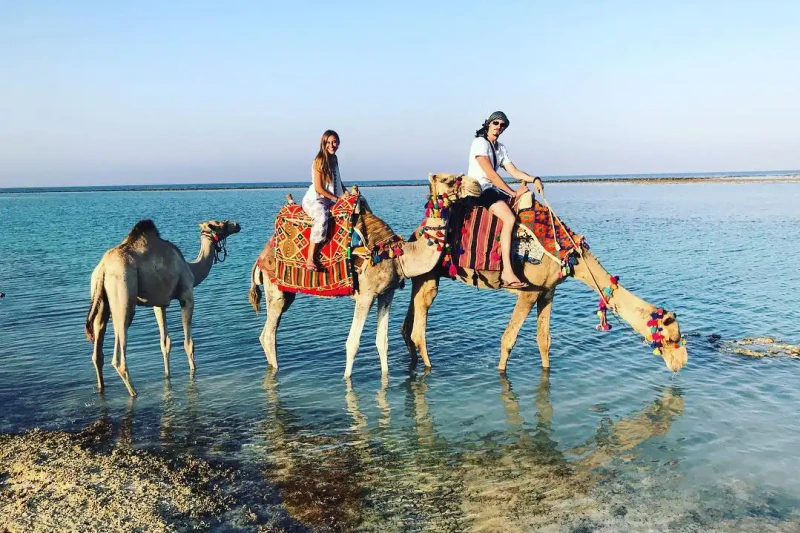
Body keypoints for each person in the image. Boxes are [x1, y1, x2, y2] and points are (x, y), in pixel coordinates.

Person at [467, 111, 544, 289]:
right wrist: (511, 192)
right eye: (496, 123)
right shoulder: (479, 143)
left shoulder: (500, 148)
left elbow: (514, 171)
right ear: (488, 124)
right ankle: (507, 273)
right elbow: (490, 174)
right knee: (509, 218)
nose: (499, 127)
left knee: (525, 201)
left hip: (492, 189)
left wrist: (535, 179)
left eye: (503, 125)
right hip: (481, 190)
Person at [302, 129, 346, 271]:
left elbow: (337, 181)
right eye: (329, 142)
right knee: (321, 217)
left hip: (330, 199)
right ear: (324, 143)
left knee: (358, 204)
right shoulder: (319, 160)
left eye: (334, 142)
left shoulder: (335, 159)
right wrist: (337, 198)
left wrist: (347, 194)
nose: (332, 145)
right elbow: (319, 188)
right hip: (315, 199)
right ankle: (310, 258)